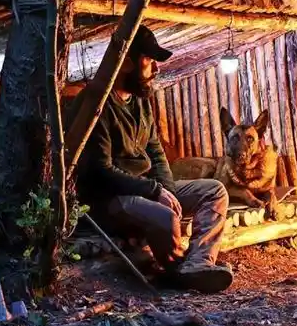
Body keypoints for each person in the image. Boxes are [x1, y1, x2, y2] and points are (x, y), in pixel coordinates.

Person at [75, 25, 233, 293]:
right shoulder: (96, 103)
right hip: (111, 198)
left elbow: (157, 154)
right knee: (164, 218)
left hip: (147, 189)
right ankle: (175, 272)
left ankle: (197, 263)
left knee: (215, 191)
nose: (156, 69)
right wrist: (154, 191)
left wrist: (167, 190)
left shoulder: (140, 101)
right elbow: (101, 171)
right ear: (126, 62)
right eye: (149, 60)